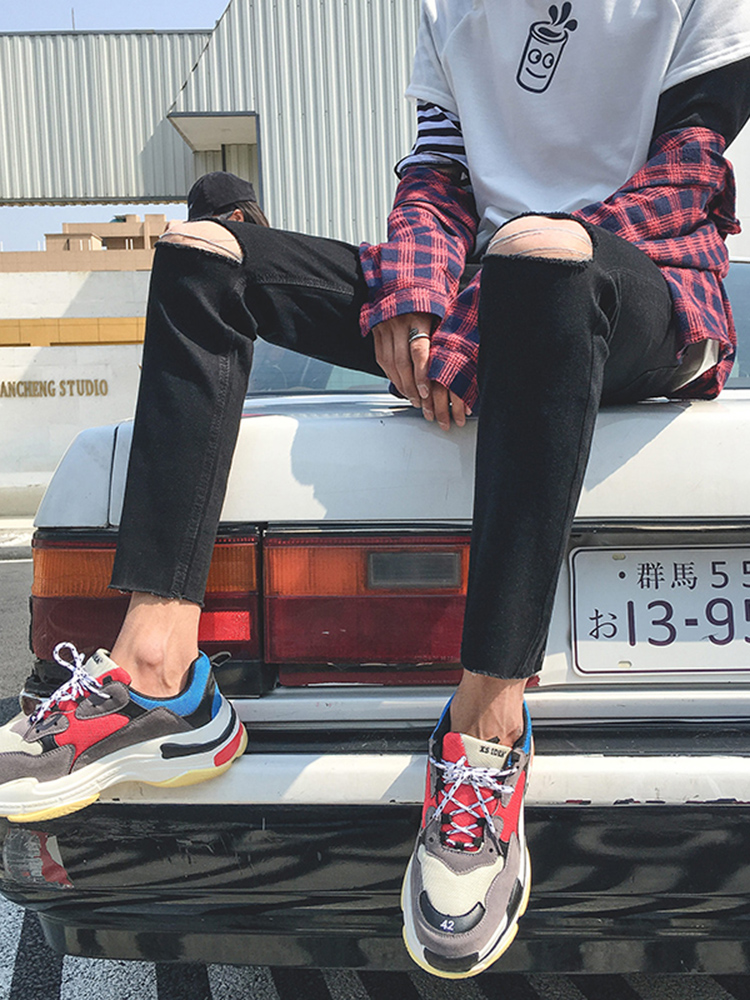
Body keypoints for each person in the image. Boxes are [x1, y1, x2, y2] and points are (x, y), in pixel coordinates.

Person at [1, 0, 749, 980]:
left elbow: (686, 178)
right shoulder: (455, 8)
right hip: (482, 287)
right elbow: (435, 176)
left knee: (540, 257)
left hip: (644, 291)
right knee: (204, 255)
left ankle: (486, 727)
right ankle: (159, 675)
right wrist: (417, 295)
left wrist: (480, 306)